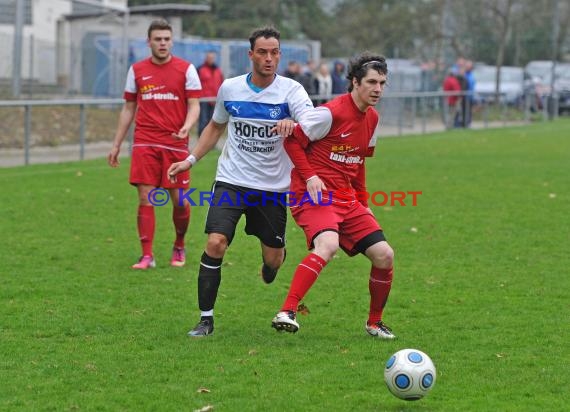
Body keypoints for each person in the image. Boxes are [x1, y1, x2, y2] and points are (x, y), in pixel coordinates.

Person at [167, 26, 314, 337]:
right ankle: (205, 319)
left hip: (272, 189)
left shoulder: (292, 91)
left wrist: (295, 123)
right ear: (251, 55)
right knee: (215, 243)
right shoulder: (230, 88)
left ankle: (274, 262)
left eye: (274, 52)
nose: (269, 58)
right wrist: (190, 160)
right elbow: (215, 127)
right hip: (231, 181)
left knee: (273, 258)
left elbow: (313, 124)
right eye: (262, 52)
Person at [271, 52, 396, 339]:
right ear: (355, 82)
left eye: (382, 83)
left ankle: (374, 323)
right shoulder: (331, 113)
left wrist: (364, 205)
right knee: (328, 244)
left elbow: (359, 162)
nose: (377, 89)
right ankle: (287, 311)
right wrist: (311, 176)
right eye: (371, 82)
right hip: (313, 196)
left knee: (384, 255)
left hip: (346, 199)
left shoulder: (372, 119)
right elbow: (292, 140)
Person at [108, 19, 201, 269]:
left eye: (166, 39)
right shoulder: (136, 70)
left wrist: (188, 126)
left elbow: (194, 104)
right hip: (145, 142)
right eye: (157, 39)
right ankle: (146, 255)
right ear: (149, 42)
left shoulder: (186, 69)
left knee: (180, 200)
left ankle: (179, 245)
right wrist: (116, 144)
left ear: (172, 41)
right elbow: (128, 108)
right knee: (145, 198)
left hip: (175, 144)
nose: (162, 43)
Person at [197, 51, 224, 136]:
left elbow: (221, 83)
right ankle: (201, 141)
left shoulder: (218, 70)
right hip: (203, 100)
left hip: (215, 100)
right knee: (203, 121)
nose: (211, 59)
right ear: (206, 58)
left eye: (212, 58)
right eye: (209, 57)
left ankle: (211, 142)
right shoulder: (200, 69)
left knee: (213, 122)